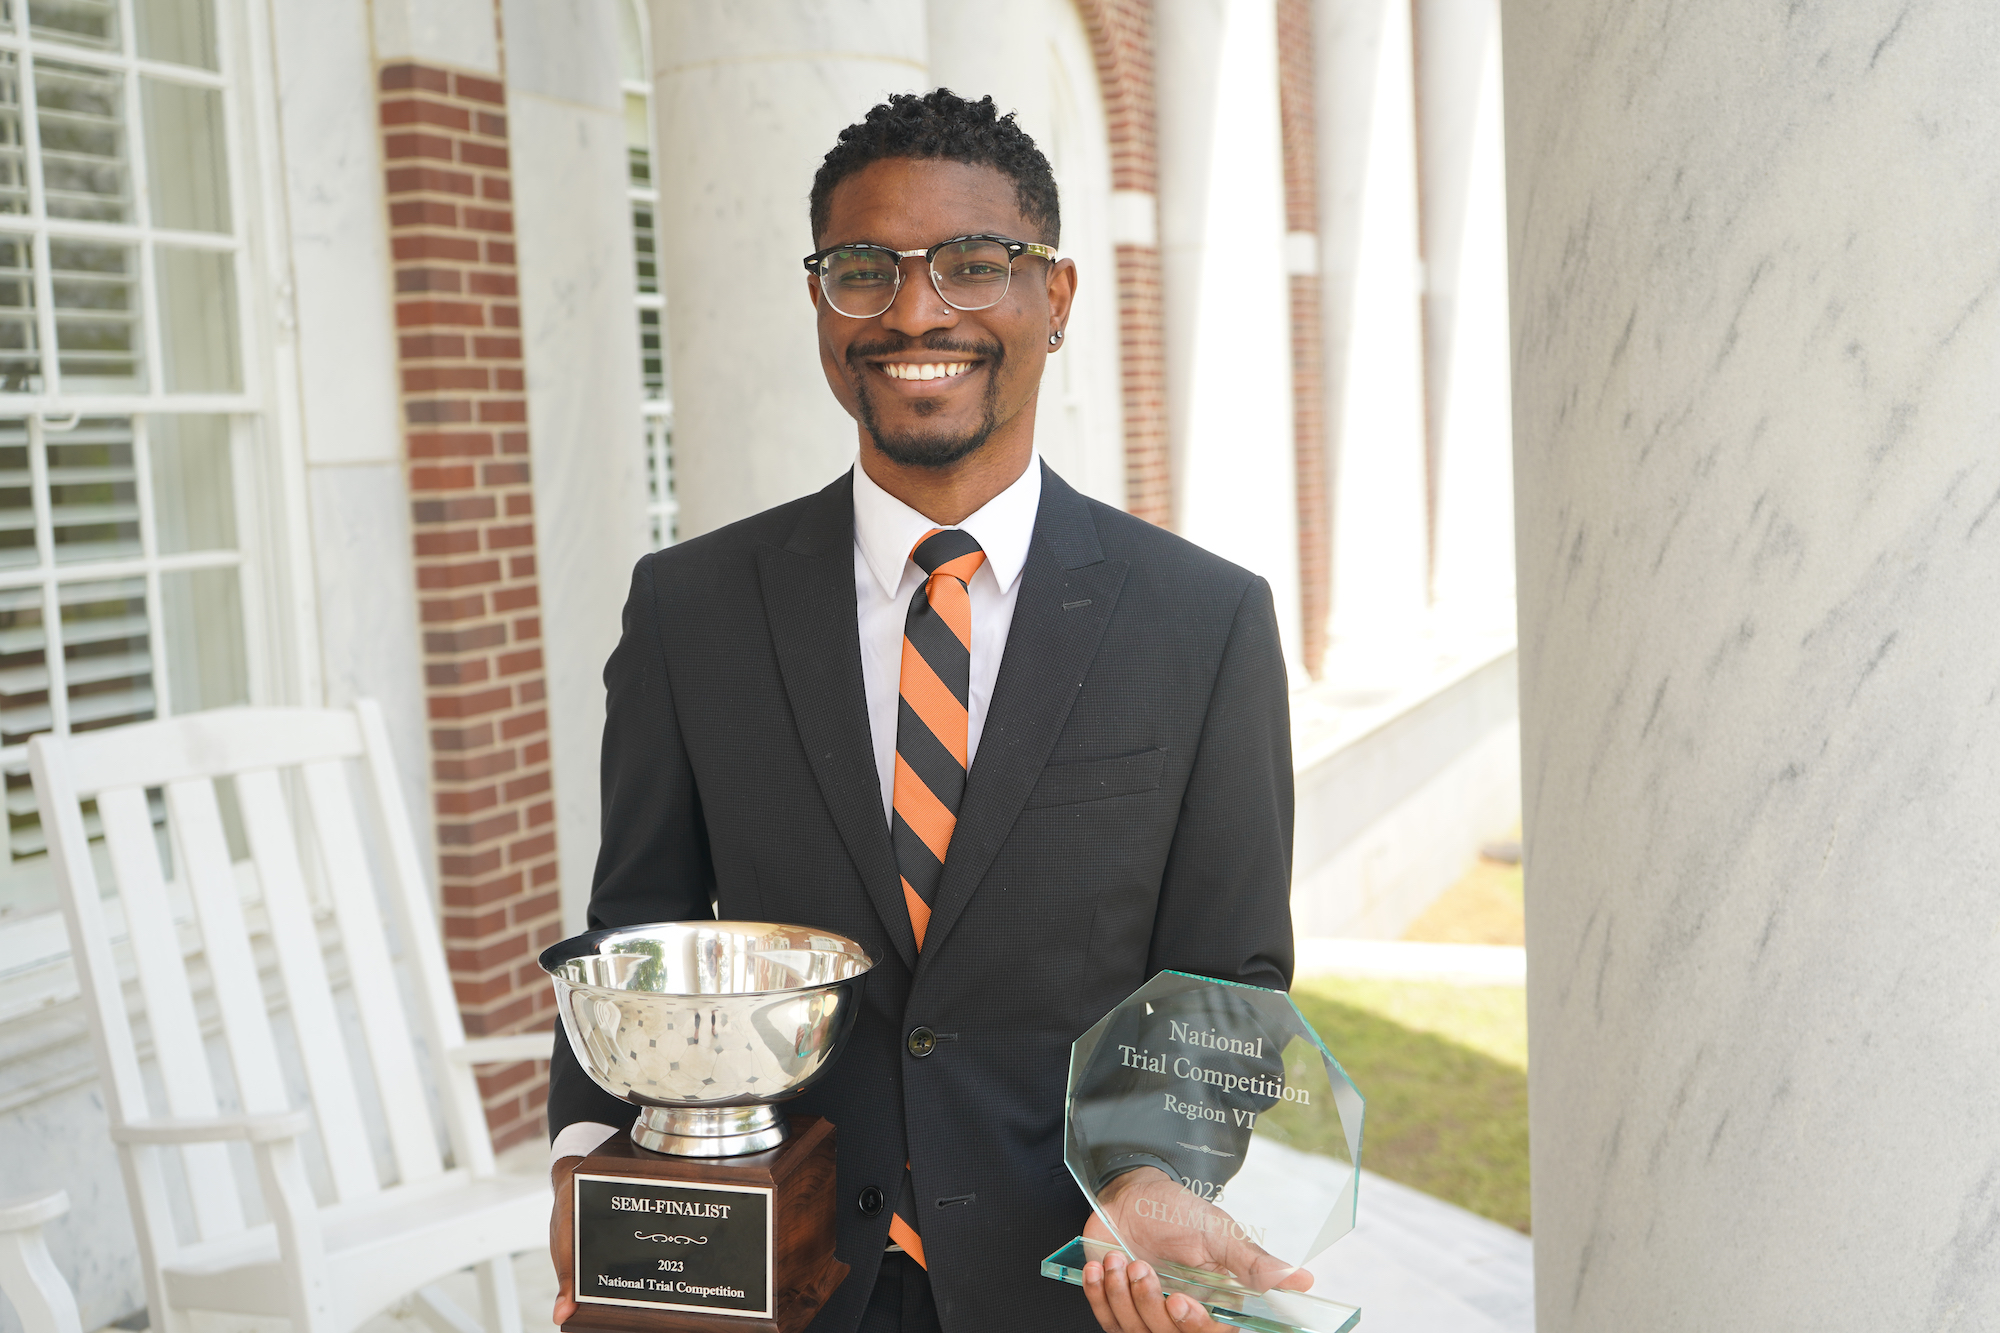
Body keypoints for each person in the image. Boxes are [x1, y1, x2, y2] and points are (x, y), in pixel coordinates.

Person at [546, 88, 1296, 1333]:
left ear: (1052, 300)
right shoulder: (691, 610)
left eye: (971, 265)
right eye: (862, 269)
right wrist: (596, 1173)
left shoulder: (1203, 621)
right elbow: (637, 932)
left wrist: (1158, 1176)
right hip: (785, 1278)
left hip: (1069, 1283)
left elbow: (1224, 979)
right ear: (818, 303)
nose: (911, 311)